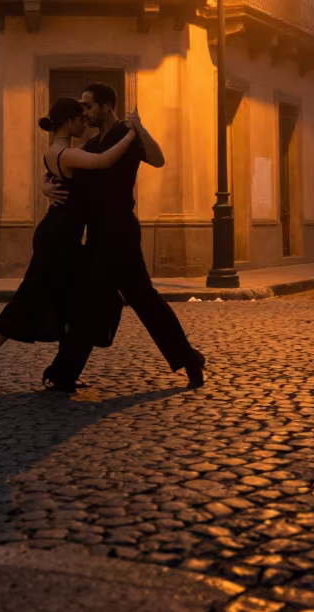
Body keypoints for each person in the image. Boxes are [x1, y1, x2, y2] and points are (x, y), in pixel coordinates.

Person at [0, 97, 136, 395]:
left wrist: (45, 186)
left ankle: (63, 372)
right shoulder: (66, 154)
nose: (84, 123)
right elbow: (105, 160)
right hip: (57, 240)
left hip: (61, 236)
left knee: (76, 301)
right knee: (29, 298)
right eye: (80, 118)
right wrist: (133, 134)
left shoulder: (59, 153)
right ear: (68, 121)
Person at [42, 83, 206, 390]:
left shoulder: (125, 134)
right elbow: (61, 165)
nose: (84, 112)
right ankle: (189, 358)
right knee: (142, 300)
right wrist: (45, 186)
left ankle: (64, 372)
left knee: (93, 300)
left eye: (88, 106)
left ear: (106, 106)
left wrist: (140, 129)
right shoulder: (92, 144)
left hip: (119, 232)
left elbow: (158, 159)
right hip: (99, 231)